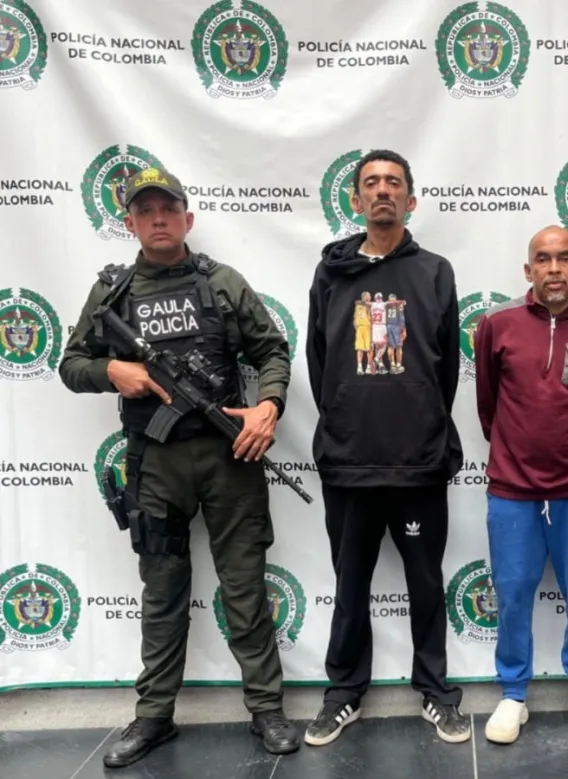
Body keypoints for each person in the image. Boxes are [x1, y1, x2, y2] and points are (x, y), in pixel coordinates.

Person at [58, 167, 299, 768]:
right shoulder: (112, 294)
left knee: (244, 589)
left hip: (229, 457)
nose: (159, 219)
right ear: (131, 222)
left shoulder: (221, 283)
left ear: (188, 218)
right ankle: (154, 717)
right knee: (162, 594)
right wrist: (115, 372)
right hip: (156, 464)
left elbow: (271, 349)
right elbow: (71, 364)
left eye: (169, 208)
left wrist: (267, 408)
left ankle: (267, 708)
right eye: (146, 210)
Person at [303, 149, 469, 746]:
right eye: (370, 183)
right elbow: (319, 362)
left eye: (393, 183)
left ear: (410, 199)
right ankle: (344, 693)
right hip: (348, 461)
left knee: (426, 585)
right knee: (350, 588)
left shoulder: (435, 271)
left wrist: (418, 418)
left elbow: (444, 368)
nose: (382, 191)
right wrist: (350, 417)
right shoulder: (331, 274)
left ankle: (435, 691)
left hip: (418, 461)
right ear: (354, 199)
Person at [474, 225, 568, 745]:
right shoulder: (497, 325)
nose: (554, 268)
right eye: (543, 259)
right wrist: (519, 454)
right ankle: (513, 694)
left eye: (564, 259)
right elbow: (487, 407)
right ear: (527, 269)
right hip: (512, 488)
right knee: (512, 594)